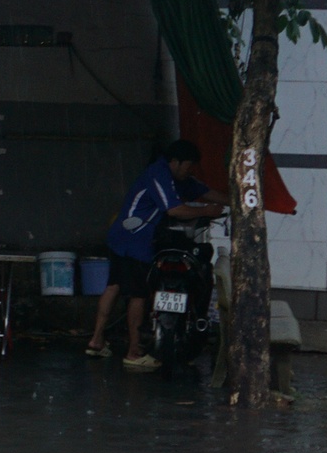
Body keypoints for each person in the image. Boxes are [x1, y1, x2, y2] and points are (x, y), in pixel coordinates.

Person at [88, 139, 227, 370]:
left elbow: (206, 191)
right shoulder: (159, 174)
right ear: (175, 162)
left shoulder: (176, 179)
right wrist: (205, 211)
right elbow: (174, 209)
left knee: (114, 286)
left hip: (121, 235)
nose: (190, 170)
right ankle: (134, 353)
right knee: (139, 294)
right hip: (134, 239)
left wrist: (240, 202)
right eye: (188, 166)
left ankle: (96, 340)